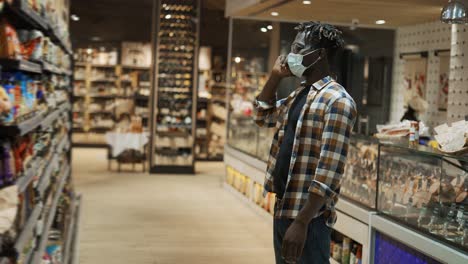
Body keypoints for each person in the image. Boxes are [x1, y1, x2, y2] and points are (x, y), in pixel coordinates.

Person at [253, 22, 357, 264]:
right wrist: (275, 77)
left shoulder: (338, 101)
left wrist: (301, 222)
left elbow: (329, 171)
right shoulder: (301, 93)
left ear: (319, 54)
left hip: (308, 218)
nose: (291, 55)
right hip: (284, 208)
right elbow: (262, 116)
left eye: (298, 49)